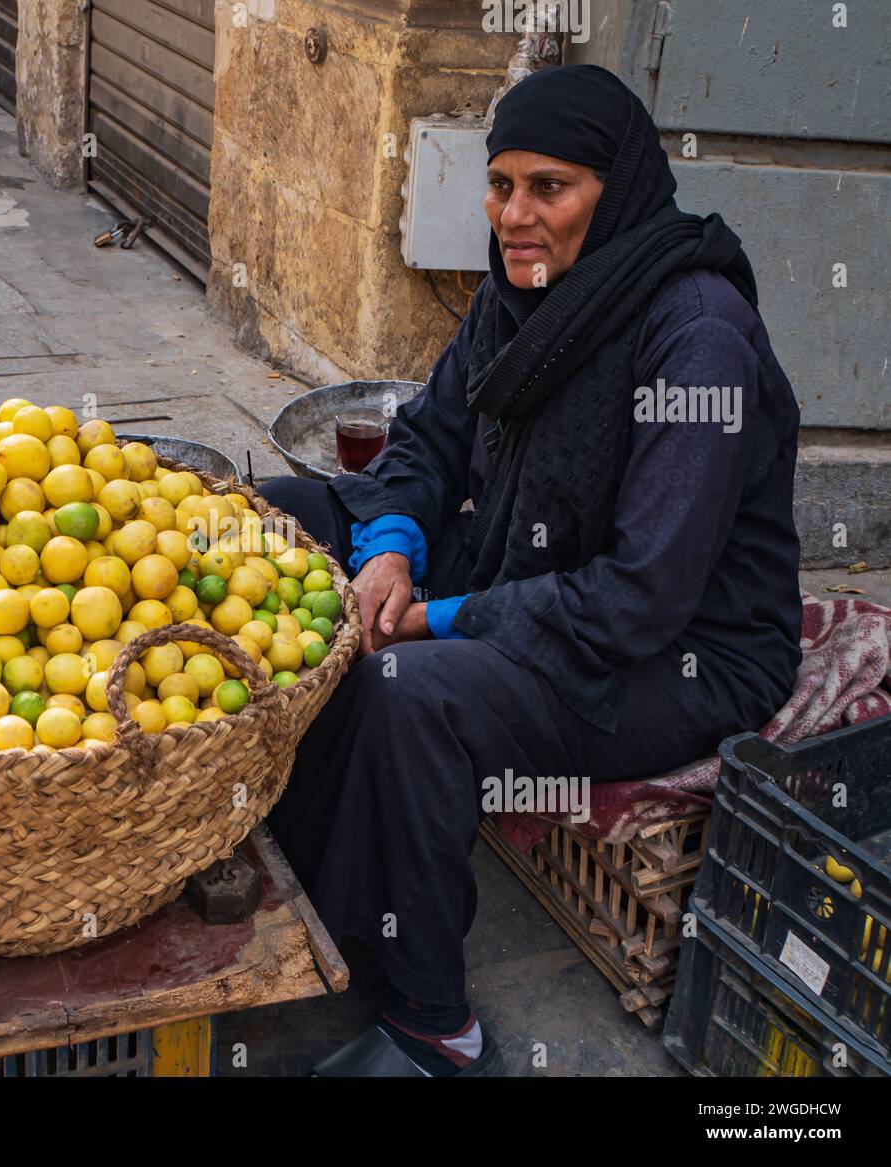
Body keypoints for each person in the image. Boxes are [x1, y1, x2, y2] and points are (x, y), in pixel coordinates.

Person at [259, 64, 802, 1077]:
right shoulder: (520, 293)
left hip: (677, 650)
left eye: (548, 188)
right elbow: (425, 438)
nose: (514, 215)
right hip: (534, 566)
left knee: (407, 690)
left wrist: (439, 619)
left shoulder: (697, 341)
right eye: (500, 185)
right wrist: (386, 551)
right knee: (285, 520)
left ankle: (431, 1021)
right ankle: (288, 839)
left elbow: (640, 597)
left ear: (619, 188)